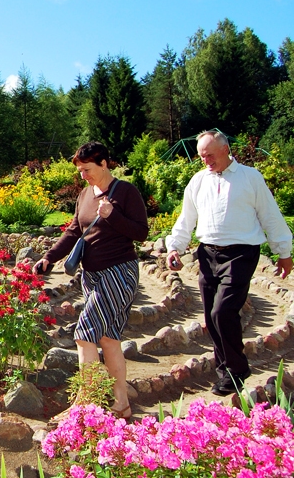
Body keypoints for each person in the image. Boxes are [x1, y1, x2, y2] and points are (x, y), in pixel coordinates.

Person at [165, 130, 292, 396]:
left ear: (225, 149)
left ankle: (236, 369)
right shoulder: (198, 181)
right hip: (208, 254)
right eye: (202, 156)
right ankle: (227, 372)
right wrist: (174, 247)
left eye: (210, 154)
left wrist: (283, 251)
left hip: (241, 253)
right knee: (211, 319)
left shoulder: (250, 178)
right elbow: (186, 218)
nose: (206, 160)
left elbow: (270, 214)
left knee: (222, 313)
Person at [33, 141, 148, 421]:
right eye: (80, 170)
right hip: (92, 276)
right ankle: (121, 405)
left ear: (104, 164)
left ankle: (86, 406)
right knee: (108, 339)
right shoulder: (85, 194)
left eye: (87, 169)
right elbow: (74, 231)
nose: (82, 175)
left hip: (119, 273)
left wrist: (113, 216)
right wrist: (49, 257)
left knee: (84, 333)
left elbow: (141, 233)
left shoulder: (126, 192)